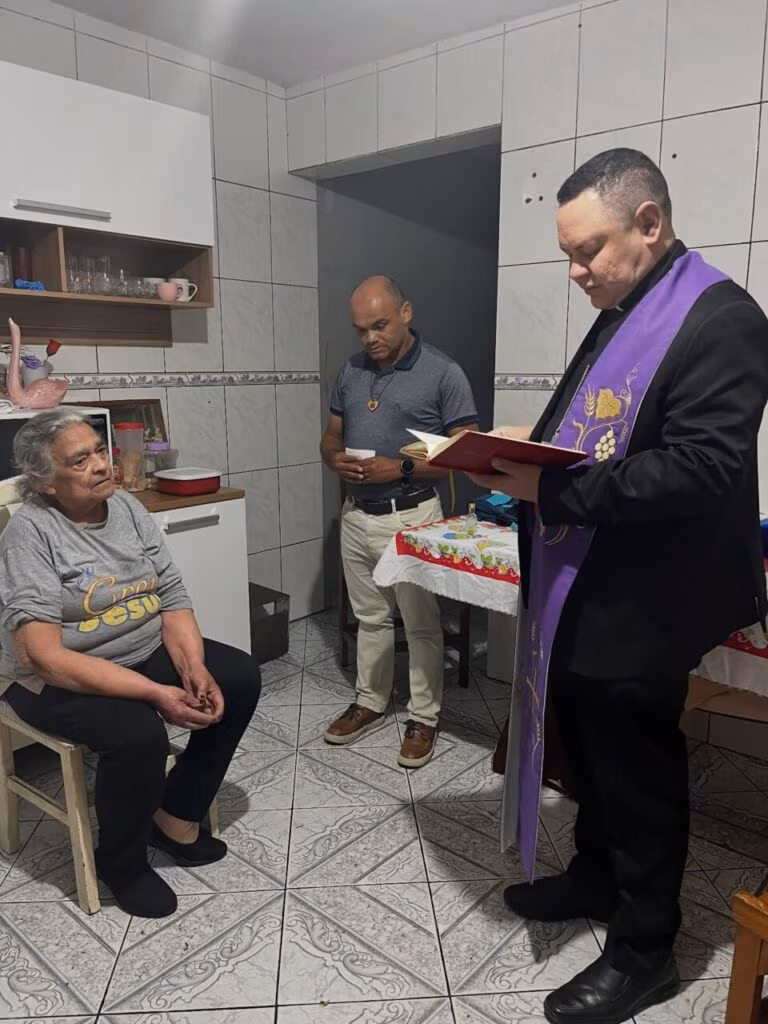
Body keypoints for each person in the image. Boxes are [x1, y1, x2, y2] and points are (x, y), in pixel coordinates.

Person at [470, 149, 768, 1024]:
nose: (575, 273)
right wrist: (533, 443)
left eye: (588, 249)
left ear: (649, 223)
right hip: (594, 582)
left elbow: (702, 470)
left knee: (637, 770)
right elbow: (606, 430)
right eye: (569, 253)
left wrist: (549, 487)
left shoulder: (723, 319)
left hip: (649, 597)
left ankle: (646, 953)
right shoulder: (630, 304)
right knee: (592, 749)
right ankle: (597, 876)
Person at [0, 409, 261, 919]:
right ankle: (121, 861)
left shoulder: (125, 507)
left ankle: (175, 815)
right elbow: (42, 655)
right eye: (81, 460)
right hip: (52, 678)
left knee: (238, 677)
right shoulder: (30, 533)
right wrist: (155, 694)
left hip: (138, 650)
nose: (102, 465)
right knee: (139, 732)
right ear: (45, 483)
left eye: (100, 450)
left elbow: (172, 594)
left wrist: (193, 667)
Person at [321, 276, 478, 767]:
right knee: (370, 616)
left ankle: (424, 717)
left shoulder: (443, 372)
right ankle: (370, 701)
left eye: (380, 325)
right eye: (361, 329)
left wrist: (402, 466)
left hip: (411, 514)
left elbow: (467, 454)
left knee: (421, 623)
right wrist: (334, 460)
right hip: (356, 515)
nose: (370, 338)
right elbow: (331, 435)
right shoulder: (350, 370)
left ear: (406, 313)